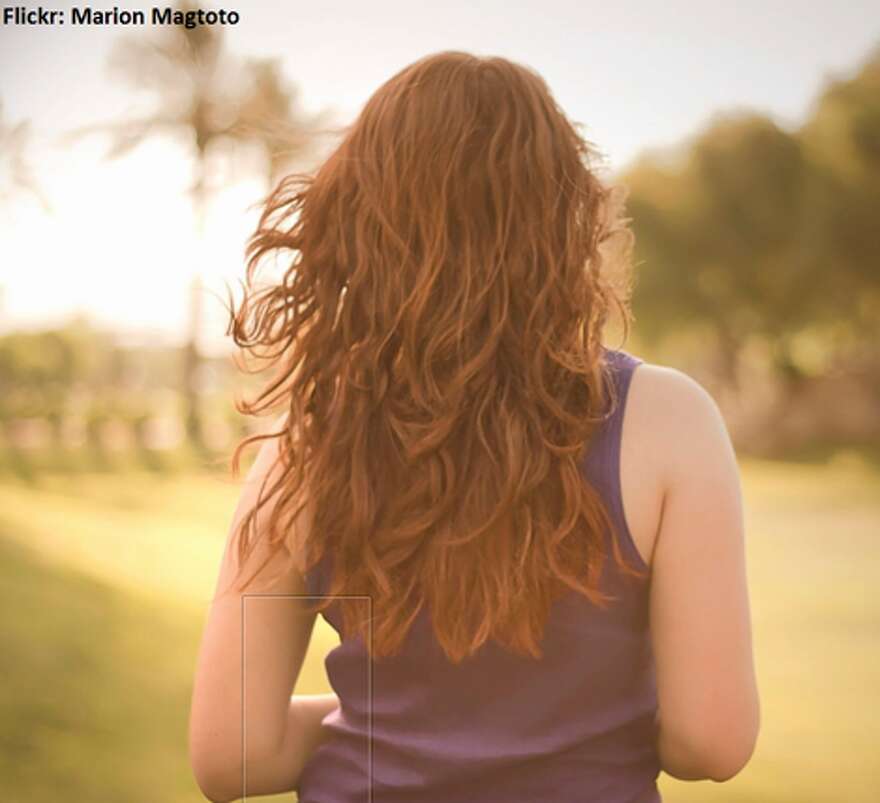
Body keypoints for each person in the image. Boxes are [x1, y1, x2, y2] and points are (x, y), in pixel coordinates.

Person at [187, 50, 758, 803]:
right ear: (565, 218)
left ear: (362, 221)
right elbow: (711, 740)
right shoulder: (670, 421)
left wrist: (373, 724)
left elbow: (234, 756)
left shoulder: (303, 453)